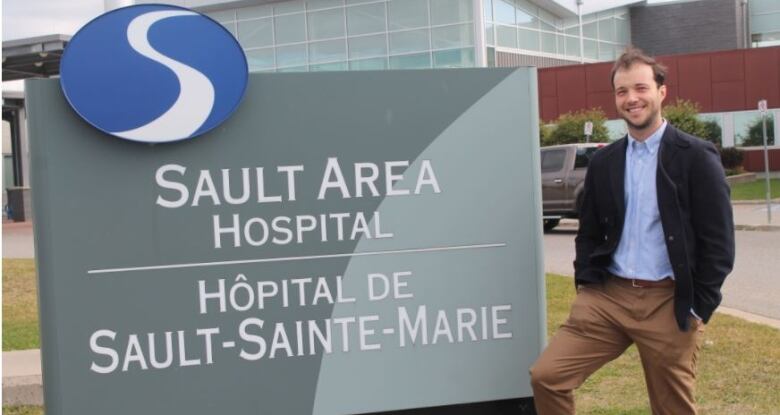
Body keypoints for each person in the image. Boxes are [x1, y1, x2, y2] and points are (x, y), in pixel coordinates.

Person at [530, 46, 735, 415]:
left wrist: (699, 307)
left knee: (672, 409)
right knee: (547, 376)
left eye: (640, 88)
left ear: (661, 91)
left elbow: (718, 244)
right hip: (608, 298)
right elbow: (588, 230)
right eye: (622, 91)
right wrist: (586, 285)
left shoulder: (695, 157)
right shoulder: (606, 161)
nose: (631, 99)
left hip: (668, 302)